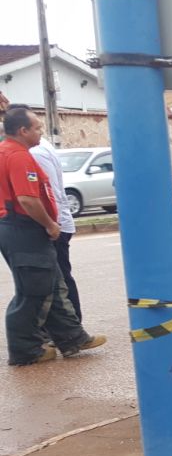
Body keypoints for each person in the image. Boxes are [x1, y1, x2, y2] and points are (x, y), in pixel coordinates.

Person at [0, 107, 105, 365]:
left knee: (53, 284)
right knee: (33, 290)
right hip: (24, 228)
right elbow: (27, 199)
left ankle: (72, 337)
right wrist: (50, 225)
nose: (40, 131)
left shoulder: (8, 152)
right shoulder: (18, 156)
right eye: (36, 127)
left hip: (19, 228)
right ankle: (26, 350)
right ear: (22, 131)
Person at [29, 129, 80, 318]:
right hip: (55, 221)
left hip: (54, 224)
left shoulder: (35, 152)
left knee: (59, 280)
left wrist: (50, 223)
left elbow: (46, 191)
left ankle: (73, 328)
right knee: (57, 279)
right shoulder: (38, 148)